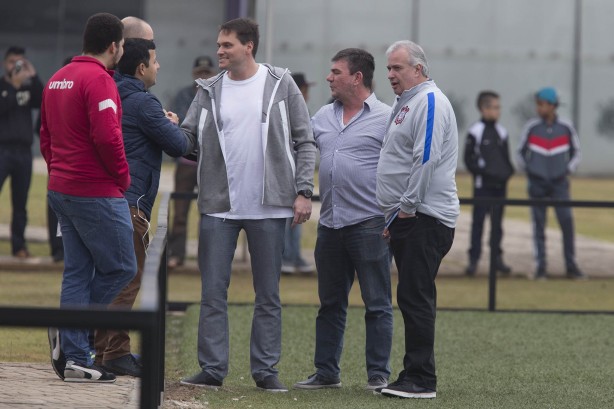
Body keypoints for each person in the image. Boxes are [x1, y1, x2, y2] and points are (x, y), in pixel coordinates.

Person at [179, 18, 316, 392]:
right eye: (220, 44)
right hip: (218, 208)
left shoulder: (280, 84)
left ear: (248, 46)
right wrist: (173, 128)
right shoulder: (208, 88)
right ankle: (211, 369)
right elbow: (189, 140)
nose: (220, 51)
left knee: (268, 295)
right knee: (211, 293)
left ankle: (265, 370)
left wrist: (304, 191)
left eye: (227, 45)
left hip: (270, 207)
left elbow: (306, 141)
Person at [40, 12, 136, 383]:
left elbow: (45, 136)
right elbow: (108, 137)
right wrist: (122, 177)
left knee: (78, 271)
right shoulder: (99, 79)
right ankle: (72, 338)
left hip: (61, 189)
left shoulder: (57, 77)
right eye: (122, 46)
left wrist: (58, 172)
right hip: (94, 190)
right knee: (122, 268)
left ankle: (76, 355)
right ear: (114, 46)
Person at [293, 49, 393, 391]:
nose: (329, 77)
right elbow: (301, 149)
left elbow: (400, 169)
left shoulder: (386, 117)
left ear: (357, 77)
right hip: (331, 225)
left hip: (370, 224)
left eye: (336, 72)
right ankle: (326, 373)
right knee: (330, 304)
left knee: (377, 303)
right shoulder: (322, 116)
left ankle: (379, 375)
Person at [93, 38, 192, 377]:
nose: (159, 66)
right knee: (130, 278)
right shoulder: (144, 103)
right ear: (141, 68)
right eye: (155, 60)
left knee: (106, 279)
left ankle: (98, 349)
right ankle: (116, 353)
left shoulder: (108, 92)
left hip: (101, 200)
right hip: (129, 204)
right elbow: (178, 145)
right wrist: (175, 125)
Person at [376, 40, 459, 399]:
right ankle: (413, 373)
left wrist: (406, 208)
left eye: (397, 68)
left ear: (419, 69)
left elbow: (425, 158)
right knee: (411, 295)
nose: (391, 75)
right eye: (389, 68)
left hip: (423, 217)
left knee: (415, 296)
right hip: (408, 216)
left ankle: (421, 380)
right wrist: (395, 213)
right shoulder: (407, 103)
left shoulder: (428, 101)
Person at [517, 87, 585, 280]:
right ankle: (541, 268)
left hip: (560, 184)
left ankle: (571, 266)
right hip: (537, 184)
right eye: (537, 104)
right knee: (538, 225)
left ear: (552, 105)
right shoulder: (531, 127)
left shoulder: (566, 127)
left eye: (542, 104)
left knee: (566, 223)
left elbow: (576, 152)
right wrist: (530, 170)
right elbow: (520, 153)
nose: (538, 108)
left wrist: (566, 171)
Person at [167, 55, 217, 269]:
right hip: (186, 163)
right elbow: (175, 123)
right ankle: (176, 254)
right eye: (200, 73)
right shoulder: (183, 95)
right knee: (179, 211)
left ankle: (205, 257)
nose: (204, 76)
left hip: (211, 163)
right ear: (194, 74)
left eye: (207, 72)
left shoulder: (220, 94)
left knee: (210, 213)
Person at [464, 91, 514, 276]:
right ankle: (473, 260)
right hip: (482, 187)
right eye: (494, 107)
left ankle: (497, 260)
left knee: (497, 226)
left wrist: (507, 173)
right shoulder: (475, 131)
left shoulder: (502, 132)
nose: (497, 111)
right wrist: (486, 173)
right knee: (478, 224)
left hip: (500, 188)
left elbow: (506, 160)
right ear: (483, 109)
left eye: (498, 107)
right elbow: (469, 160)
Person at [0, 46, 44, 258]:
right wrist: (13, 87)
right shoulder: (2, 86)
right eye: (12, 62)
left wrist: (33, 76)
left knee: (21, 203)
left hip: (23, 153)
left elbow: (43, 100)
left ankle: (19, 246)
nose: (16, 66)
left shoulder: (28, 87)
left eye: (20, 62)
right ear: (5, 64)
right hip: (2, 150)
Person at [281, 72, 316, 274]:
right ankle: (287, 257)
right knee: (287, 217)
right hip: (288, 171)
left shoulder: (299, 108)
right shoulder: (287, 109)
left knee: (297, 216)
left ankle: (294, 256)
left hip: (298, 172)